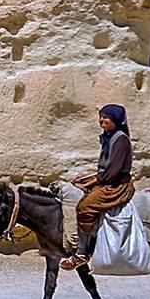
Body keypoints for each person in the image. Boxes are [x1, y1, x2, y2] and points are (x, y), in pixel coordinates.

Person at [59, 104, 135, 271]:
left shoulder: (120, 140)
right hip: (107, 180)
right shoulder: (110, 137)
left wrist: (90, 182)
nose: (101, 120)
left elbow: (112, 172)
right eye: (100, 117)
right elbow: (105, 169)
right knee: (74, 188)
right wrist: (86, 178)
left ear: (115, 119)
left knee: (85, 206)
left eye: (106, 117)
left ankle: (82, 253)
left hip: (116, 185)